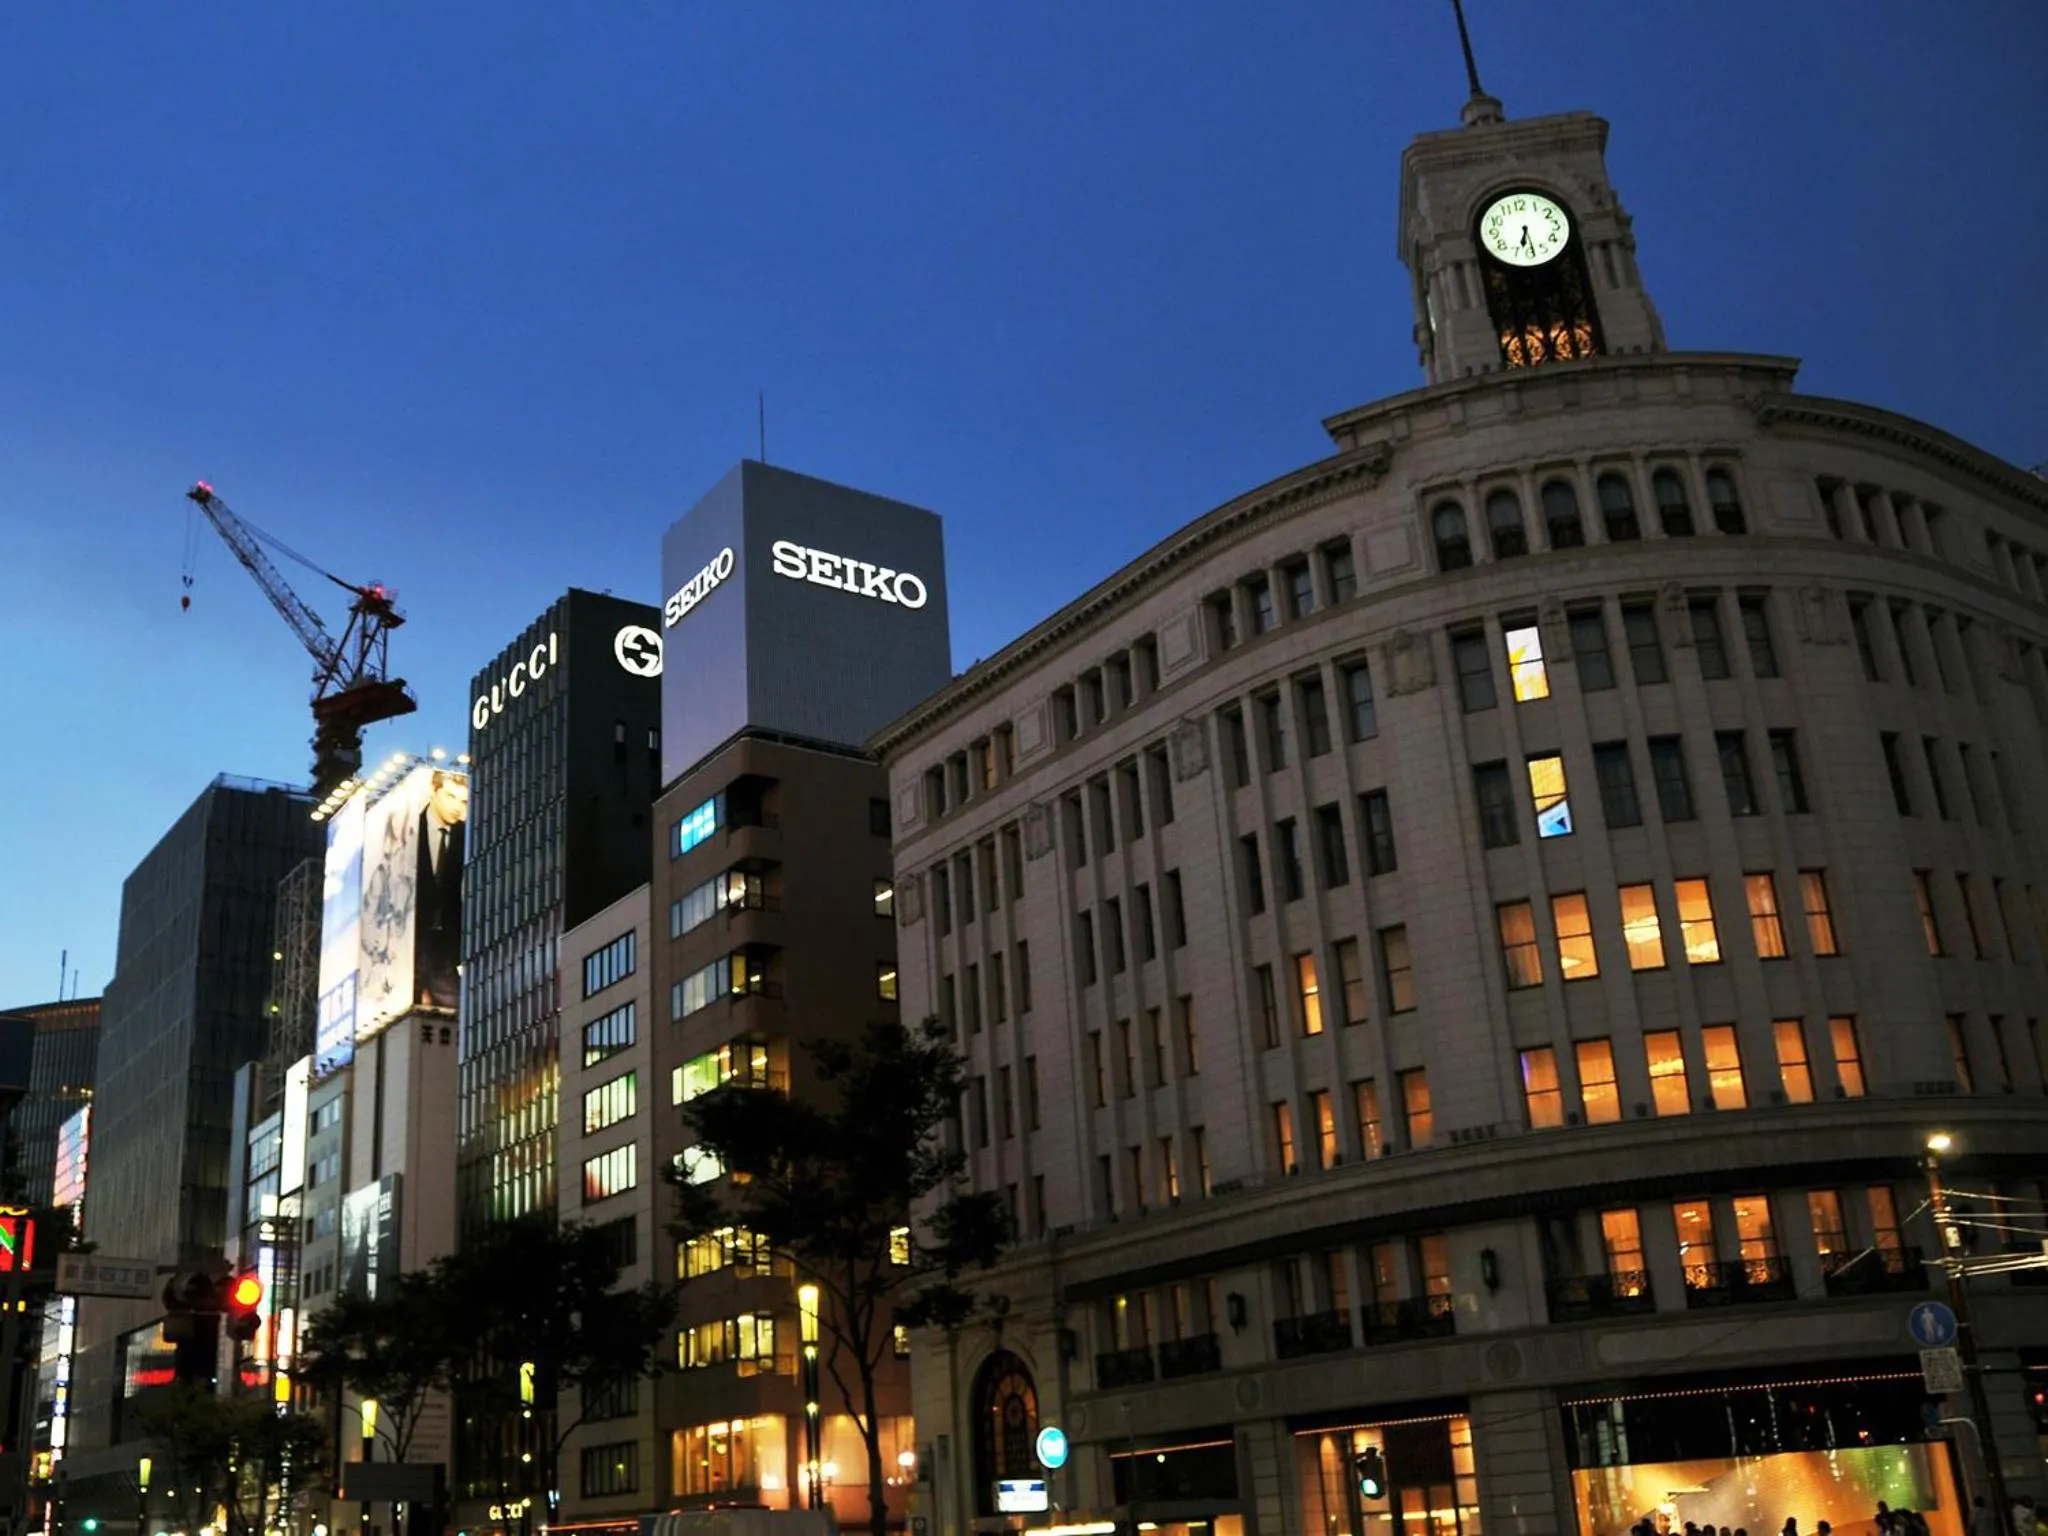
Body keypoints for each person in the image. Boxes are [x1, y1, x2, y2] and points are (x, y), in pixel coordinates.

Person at [414, 768, 468, 1011]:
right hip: (410, 947)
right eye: (451, 797)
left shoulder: (468, 836)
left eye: (464, 801)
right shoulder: (409, 826)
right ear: (433, 792)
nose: (457, 807)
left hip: (448, 952)